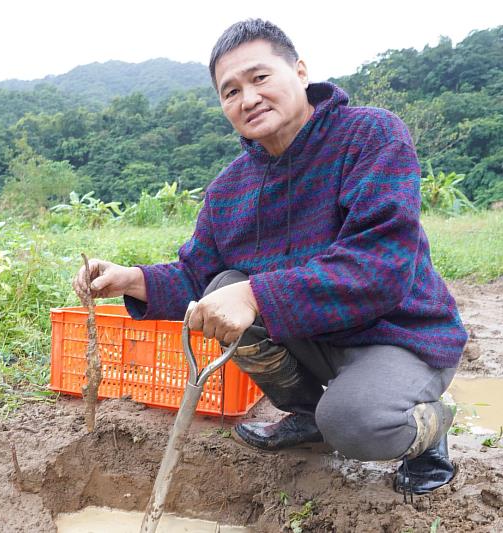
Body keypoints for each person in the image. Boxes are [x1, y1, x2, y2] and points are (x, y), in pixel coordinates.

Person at [73, 19, 468, 496]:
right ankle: (307, 416)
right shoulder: (229, 189)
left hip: (398, 334)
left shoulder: (370, 136)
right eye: (231, 91)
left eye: (259, 78)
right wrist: (130, 279)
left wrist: (256, 293)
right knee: (222, 290)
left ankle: (428, 428)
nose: (248, 98)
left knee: (357, 423)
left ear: (299, 71)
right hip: (314, 334)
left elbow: (379, 265)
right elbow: (196, 277)